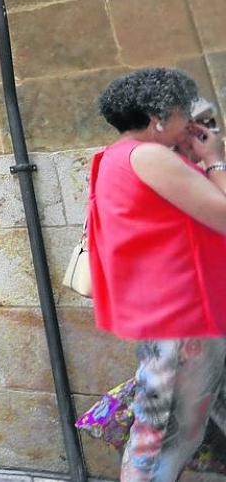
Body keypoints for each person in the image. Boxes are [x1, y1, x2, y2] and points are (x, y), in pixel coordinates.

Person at [90, 68, 226, 481]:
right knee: (166, 434)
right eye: (184, 112)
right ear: (158, 117)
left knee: (176, 426)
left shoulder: (119, 156)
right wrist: (215, 157)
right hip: (185, 318)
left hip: (178, 315)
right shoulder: (148, 157)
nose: (192, 123)